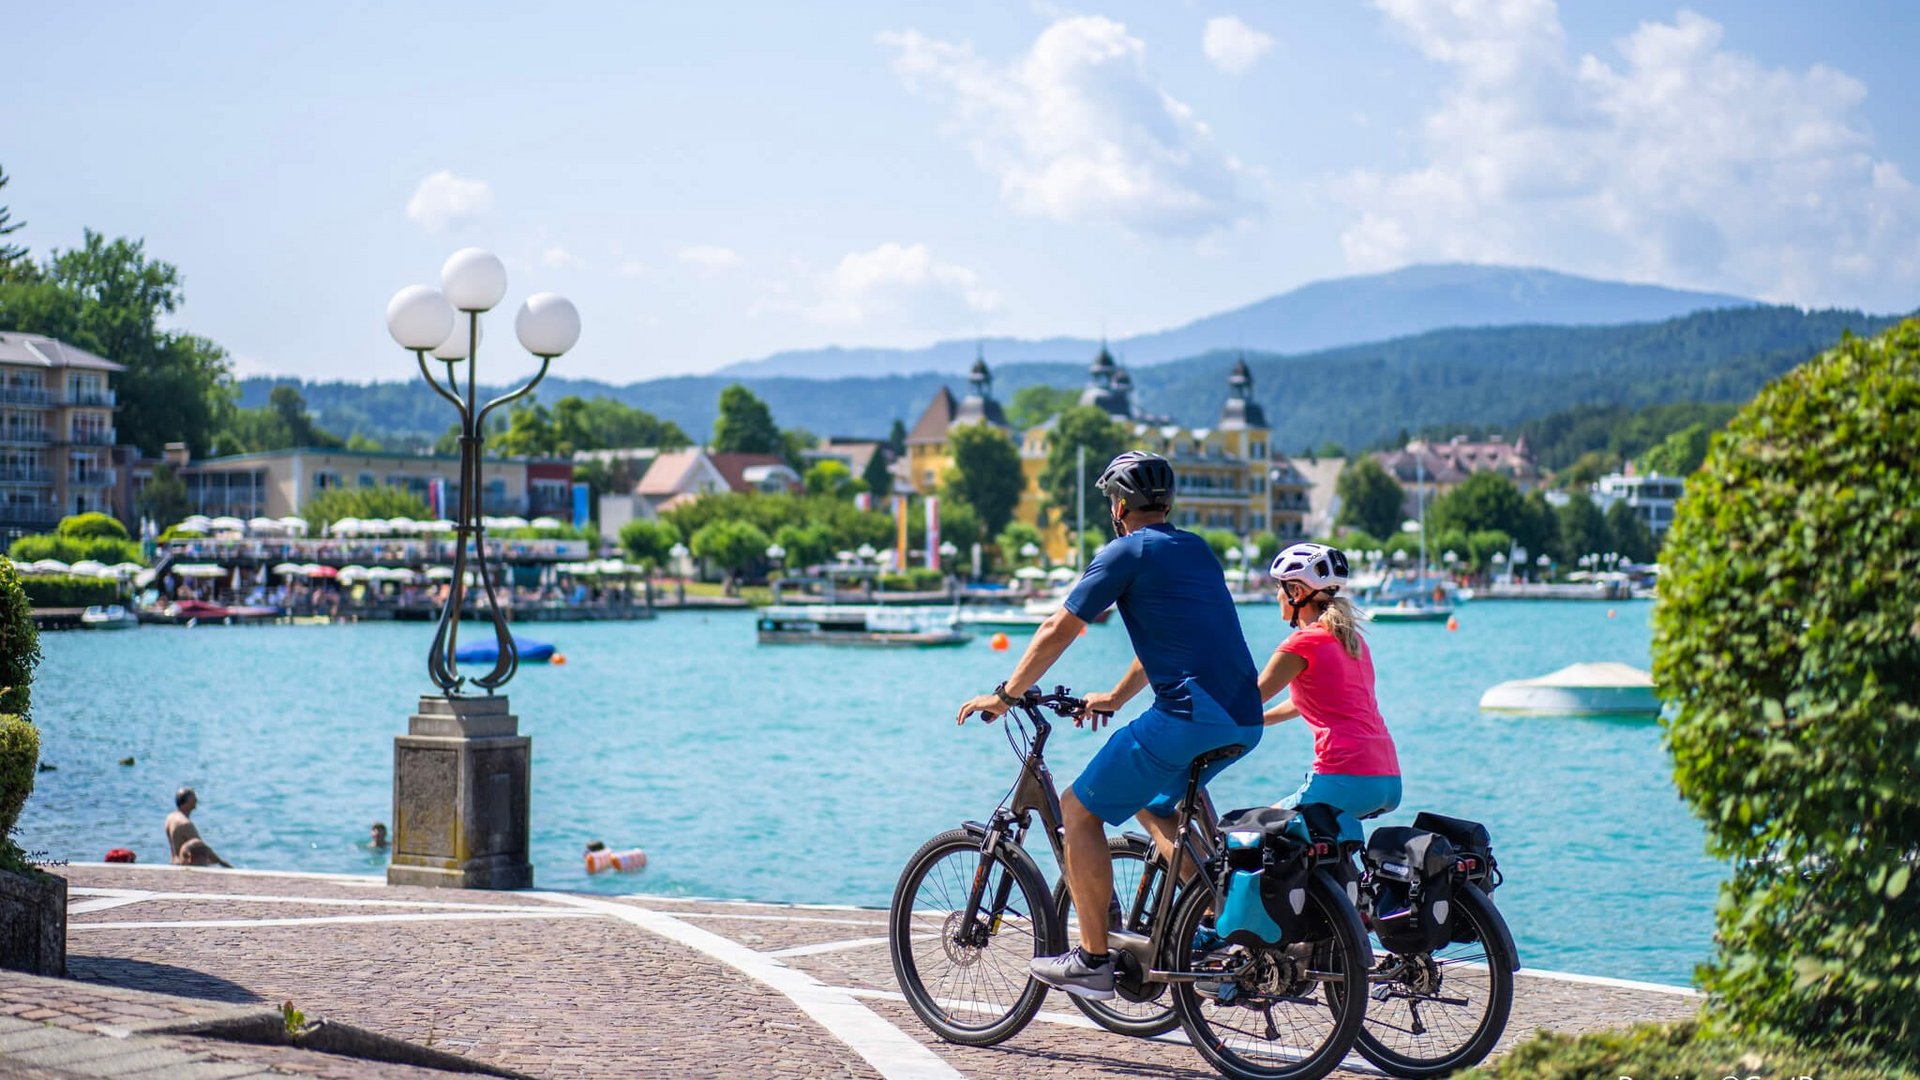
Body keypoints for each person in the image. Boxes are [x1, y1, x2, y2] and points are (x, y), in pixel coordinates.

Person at [957, 451, 1264, 1000]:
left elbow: (1060, 626)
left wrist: (1007, 694)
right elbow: (1173, 645)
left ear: (1120, 504)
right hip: (1242, 718)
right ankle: (1219, 923)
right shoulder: (1196, 550)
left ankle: (1093, 961)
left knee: (1078, 810)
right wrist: (1116, 698)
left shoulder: (1124, 552)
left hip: (1188, 717)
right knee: (1154, 804)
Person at [1259, 543, 1402, 822]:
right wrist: (1260, 720)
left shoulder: (1303, 642)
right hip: (1388, 778)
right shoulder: (1350, 638)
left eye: (1280, 587)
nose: (1277, 594)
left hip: (1347, 775)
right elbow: (1311, 701)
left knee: (1253, 831)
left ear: (1297, 592)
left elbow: (1245, 699)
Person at [165, 787, 232, 867]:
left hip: (173, 863)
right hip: (184, 865)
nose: (196, 799)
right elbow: (202, 849)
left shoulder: (170, 818)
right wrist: (222, 862)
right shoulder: (185, 824)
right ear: (187, 801)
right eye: (194, 798)